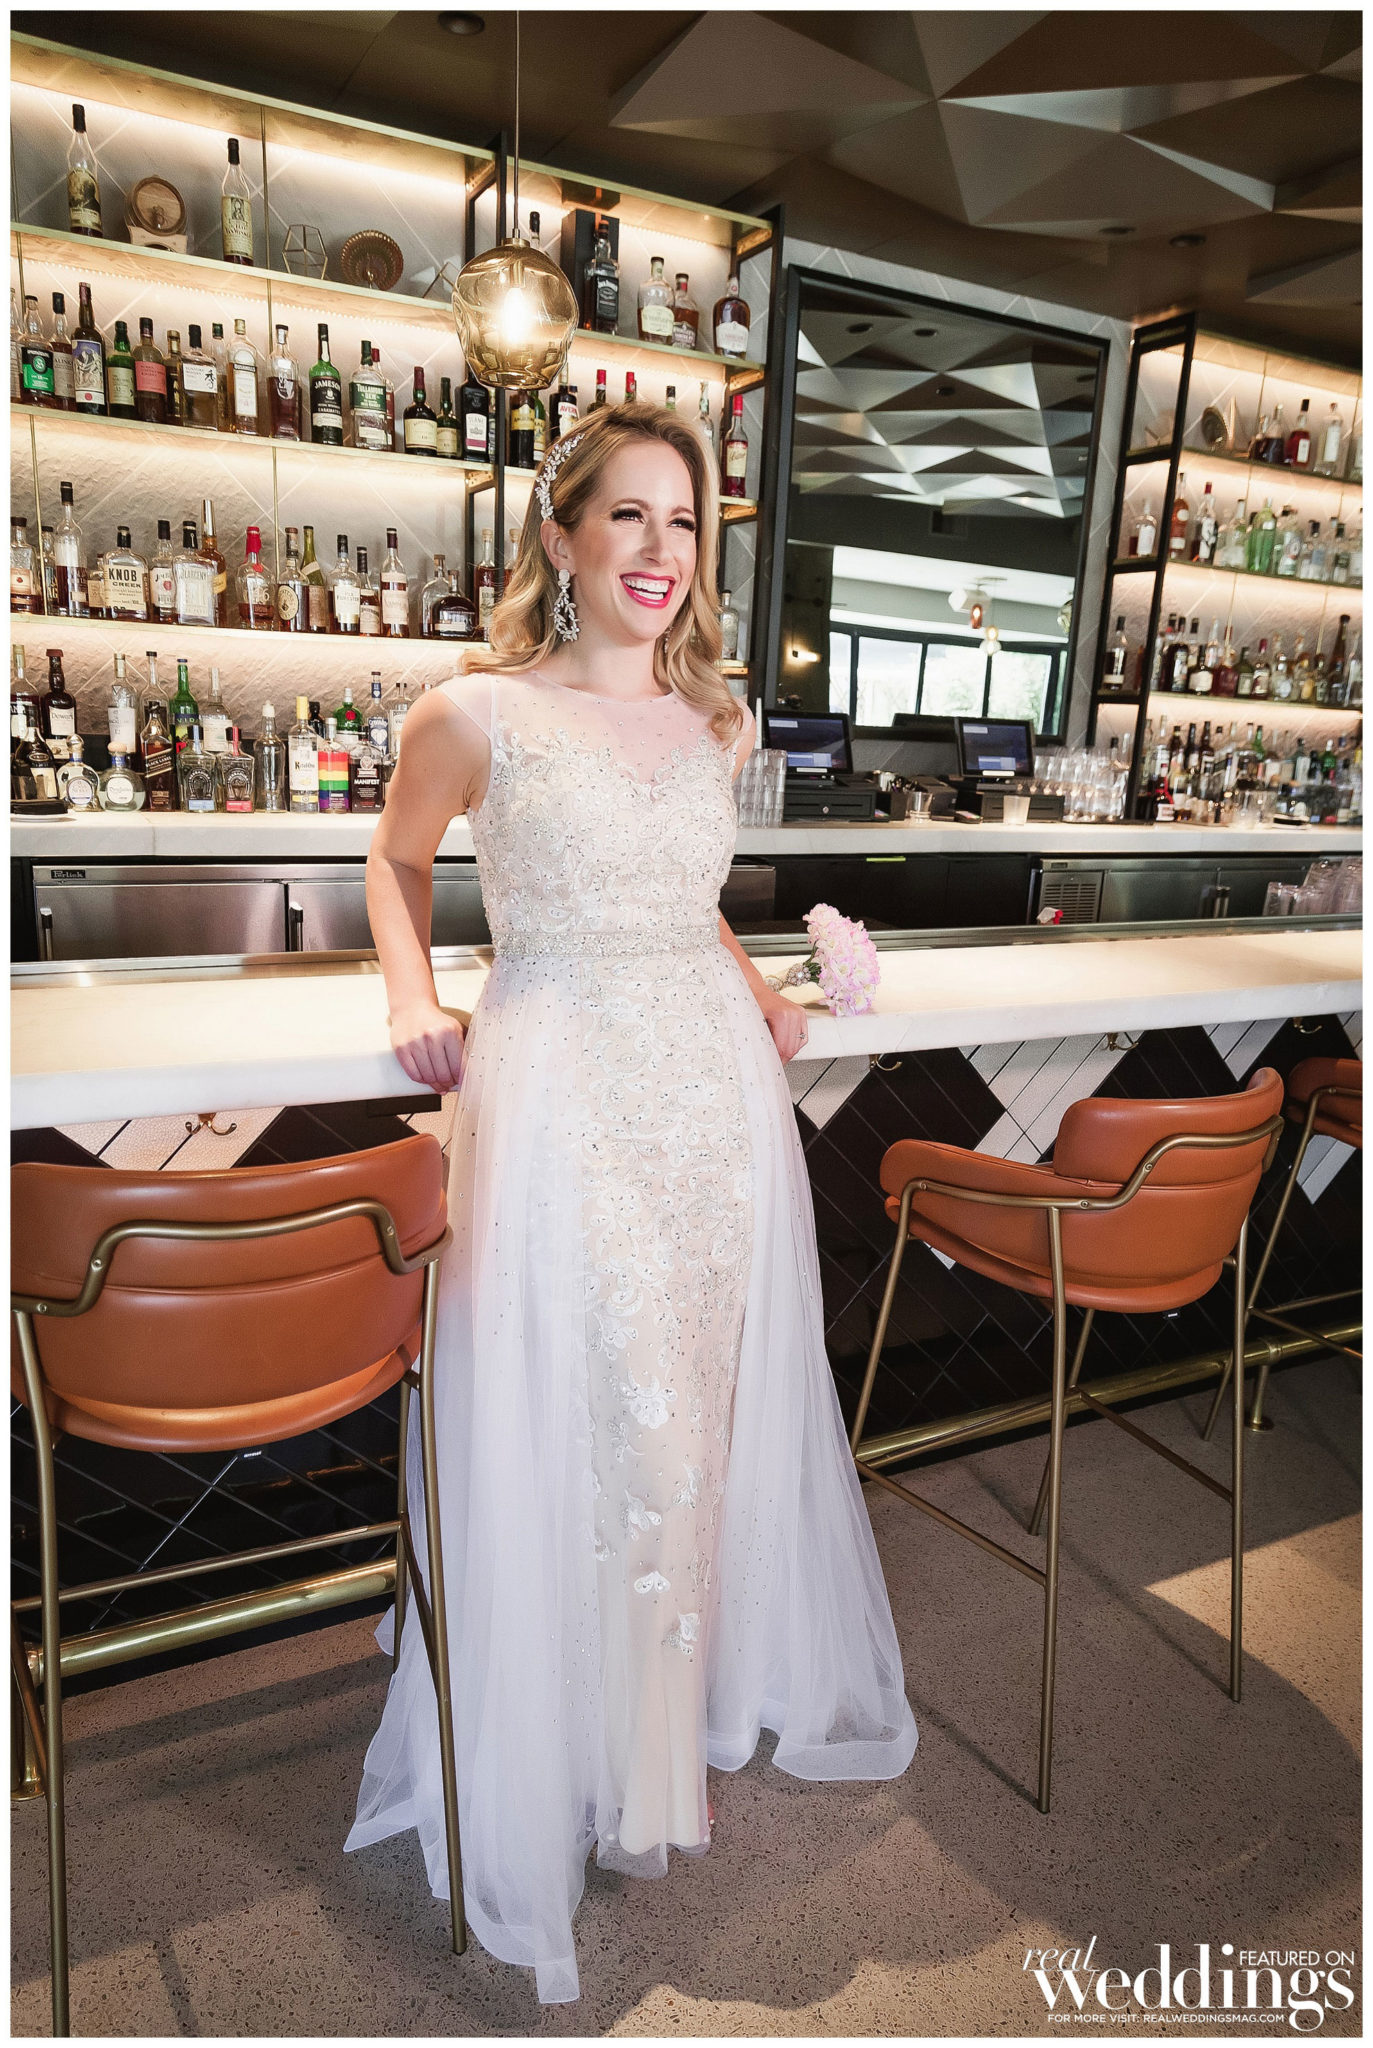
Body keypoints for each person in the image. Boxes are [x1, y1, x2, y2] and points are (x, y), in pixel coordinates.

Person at [345, 401, 917, 2002]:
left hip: (708, 1104)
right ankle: (593, 1752)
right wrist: (412, 993)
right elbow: (393, 865)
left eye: (684, 523)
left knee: (695, 1427)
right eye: (628, 517)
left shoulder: (715, 721)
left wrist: (757, 990)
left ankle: (652, 1745)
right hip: (562, 1090)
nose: (659, 552)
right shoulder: (474, 712)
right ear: (561, 536)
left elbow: (687, 900)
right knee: (606, 1421)